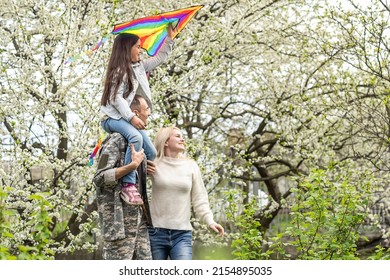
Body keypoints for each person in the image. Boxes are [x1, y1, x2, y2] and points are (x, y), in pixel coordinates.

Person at [99, 24, 175, 205]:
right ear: (127, 49)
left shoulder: (139, 66)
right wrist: (131, 117)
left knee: (150, 151)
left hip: (125, 118)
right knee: (135, 137)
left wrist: (169, 39)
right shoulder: (119, 72)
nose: (140, 50)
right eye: (137, 47)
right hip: (112, 119)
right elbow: (116, 99)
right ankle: (128, 185)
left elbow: (159, 59)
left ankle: (141, 177)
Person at [147, 126, 225, 260]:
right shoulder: (154, 163)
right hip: (156, 231)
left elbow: (199, 197)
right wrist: (143, 168)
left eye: (182, 136)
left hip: (182, 234)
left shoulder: (191, 165)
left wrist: (210, 221)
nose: (182, 139)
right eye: (177, 136)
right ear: (166, 141)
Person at [92, 96, 153, 260]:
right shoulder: (116, 140)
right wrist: (131, 167)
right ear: (135, 113)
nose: (149, 113)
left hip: (139, 221)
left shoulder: (140, 145)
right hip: (119, 225)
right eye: (147, 109)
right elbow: (99, 178)